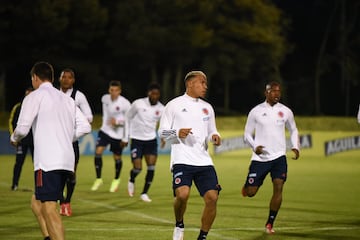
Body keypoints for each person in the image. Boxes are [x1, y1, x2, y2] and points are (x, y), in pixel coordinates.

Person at [10, 61, 91, 240]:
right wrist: (66, 138)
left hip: (47, 162)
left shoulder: (34, 97)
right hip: (67, 161)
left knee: (48, 206)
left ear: (35, 78)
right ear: (53, 78)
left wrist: (13, 138)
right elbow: (85, 126)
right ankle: (48, 237)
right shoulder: (67, 100)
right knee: (36, 203)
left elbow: (22, 129)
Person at [158, 71, 222, 240]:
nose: (205, 86)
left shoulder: (207, 107)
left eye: (206, 83)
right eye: (202, 82)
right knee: (182, 195)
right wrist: (177, 132)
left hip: (204, 161)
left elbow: (211, 131)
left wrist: (214, 137)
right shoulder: (173, 105)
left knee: (212, 198)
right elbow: (162, 133)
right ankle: (179, 223)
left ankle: (202, 236)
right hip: (181, 159)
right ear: (190, 84)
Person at [241, 81, 300, 234]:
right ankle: (247, 185)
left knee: (279, 187)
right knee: (251, 192)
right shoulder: (256, 111)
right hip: (260, 159)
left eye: (279, 91)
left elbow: (293, 129)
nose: (277, 94)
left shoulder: (286, 111)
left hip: (279, 157)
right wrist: (255, 147)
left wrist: (295, 146)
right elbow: (247, 134)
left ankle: (270, 223)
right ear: (266, 92)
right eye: (273, 91)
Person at [58, 68, 93, 216]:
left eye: (69, 77)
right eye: (63, 77)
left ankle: (67, 202)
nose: (66, 79)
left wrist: (75, 119)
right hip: (56, 140)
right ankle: (61, 202)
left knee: (71, 173)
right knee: (57, 174)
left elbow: (89, 117)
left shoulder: (78, 96)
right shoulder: (54, 95)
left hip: (71, 141)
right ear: (59, 79)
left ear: (73, 80)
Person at [124, 82, 164, 202]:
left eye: (157, 94)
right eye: (153, 94)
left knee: (151, 167)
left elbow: (162, 125)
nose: (155, 96)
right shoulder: (138, 103)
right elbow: (128, 117)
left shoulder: (162, 108)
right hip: (136, 139)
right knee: (138, 168)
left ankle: (144, 193)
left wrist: (162, 137)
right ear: (149, 93)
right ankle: (131, 179)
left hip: (151, 140)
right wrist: (126, 137)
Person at [91, 80, 131, 192]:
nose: (113, 92)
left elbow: (129, 120)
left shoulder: (125, 103)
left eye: (116, 90)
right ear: (109, 90)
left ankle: (116, 179)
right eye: (111, 90)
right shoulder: (105, 98)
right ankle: (98, 179)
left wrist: (124, 135)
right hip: (105, 131)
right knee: (98, 152)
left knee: (117, 158)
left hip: (118, 135)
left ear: (120, 91)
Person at [9, 87, 34, 191]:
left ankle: (39, 186)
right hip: (22, 141)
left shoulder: (37, 108)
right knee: (19, 162)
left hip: (34, 141)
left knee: (38, 164)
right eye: (27, 95)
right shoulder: (18, 107)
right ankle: (14, 184)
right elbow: (11, 122)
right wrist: (14, 137)